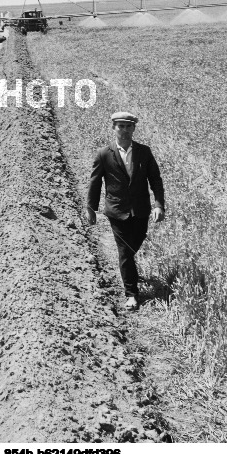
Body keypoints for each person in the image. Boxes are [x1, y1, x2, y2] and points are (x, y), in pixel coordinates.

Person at [87, 111, 165, 310]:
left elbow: (155, 179)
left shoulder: (144, 152)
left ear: (134, 129)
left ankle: (128, 269)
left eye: (128, 126)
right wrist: (91, 209)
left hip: (140, 210)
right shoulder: (104, 154)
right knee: (125, 252)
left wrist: (158, 205)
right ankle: (131, 294)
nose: (124, 130)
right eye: (120, 126)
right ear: (114, 128)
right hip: (116, 210)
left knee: (133, 245)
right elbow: (95, 183)